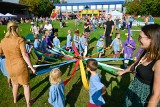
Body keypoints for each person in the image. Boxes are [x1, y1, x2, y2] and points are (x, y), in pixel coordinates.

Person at [117, 24, 160, 107]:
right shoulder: (145, 51)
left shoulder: (158, 63)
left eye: (140, 37)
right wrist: (124, 71)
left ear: (152, 39)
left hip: (145, 98)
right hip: (134, 91)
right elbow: (136, 64)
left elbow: (156, 95)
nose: (138, 39)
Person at [0, 21, 36, 107]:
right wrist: (32, 67)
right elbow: (24, 55)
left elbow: (0, 53)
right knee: (26, 85)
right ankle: (28, 103)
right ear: (16, 29)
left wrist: (8, 54)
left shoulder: (3, 41)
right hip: (19, 66)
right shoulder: (19, 40)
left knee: (15, 83)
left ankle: (15, 100)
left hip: (9, 66)